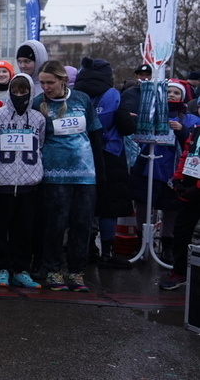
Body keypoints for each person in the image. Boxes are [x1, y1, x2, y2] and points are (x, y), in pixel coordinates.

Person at [35, 60, 103, 292]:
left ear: (63, 80)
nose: (46, 87)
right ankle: (53, 271)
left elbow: (95, 135)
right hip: (54, 173)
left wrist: (100, 172)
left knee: (82, 225)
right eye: (42, 82)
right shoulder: (38, 103)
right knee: (55, 224)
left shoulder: (82, 99)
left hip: (85, 173)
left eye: (50, 82)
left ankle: (76, 272)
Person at [73, 57, 136, 269]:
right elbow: (126, 127)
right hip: (110, 154)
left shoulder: (76, 95)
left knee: (85, 204)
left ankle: (87, 249)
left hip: (81, 153)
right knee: (109, 207)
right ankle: (107, 253)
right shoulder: (113, 95)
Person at [130, 79, 200, 264]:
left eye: (176, 93)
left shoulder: (191, 120)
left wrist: (181, 130)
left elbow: (193, 144)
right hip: (148, 168)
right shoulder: (150, 113)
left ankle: (167, 246)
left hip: (173, 171)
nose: (171, 95)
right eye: (168, 92)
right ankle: (141, 242)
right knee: (143, 207)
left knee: (171, 210)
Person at [0, 73, 45, 288]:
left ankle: (21, 269)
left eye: (24, 92)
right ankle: (1, 268)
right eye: (16, 91)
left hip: (28, 182)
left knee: (24, 229)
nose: (19, 95)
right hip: (2, 181)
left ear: (30, 93)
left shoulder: (38, 118)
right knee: (0, 228)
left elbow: (40, 144)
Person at [159, 125, 200, 290]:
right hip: (189, 189)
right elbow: (186, 155)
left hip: (196, 188)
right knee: (181, 232)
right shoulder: (197, 131)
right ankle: (179, 272)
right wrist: (178, 178)